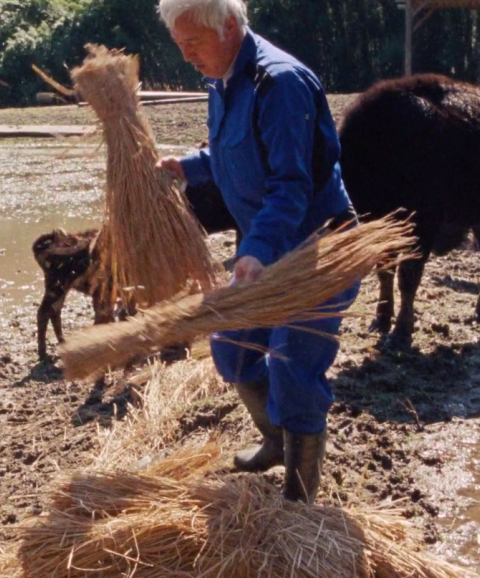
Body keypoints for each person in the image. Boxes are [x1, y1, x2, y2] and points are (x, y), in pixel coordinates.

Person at [156, 0, 359, 503]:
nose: (186, 57)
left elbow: (291, 183)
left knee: (293, 367)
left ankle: (299, 490)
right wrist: (189, 165)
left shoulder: (280, 83)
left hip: (316, 250)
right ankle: (276, 439)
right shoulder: (222, 80)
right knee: (233, 347)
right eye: (179, 46)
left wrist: (257, 249)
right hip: (268, 251)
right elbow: (231, 150)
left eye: (193, 44)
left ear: (228, 26)